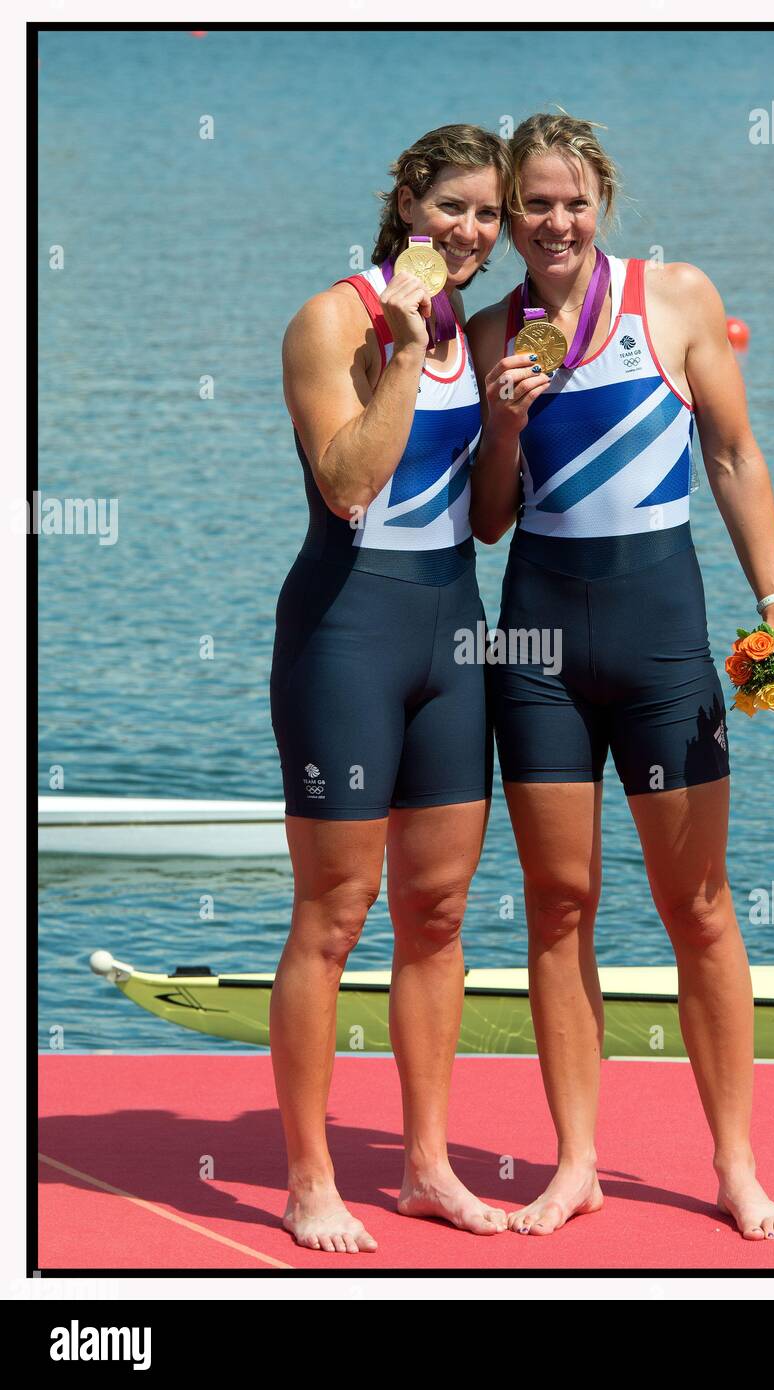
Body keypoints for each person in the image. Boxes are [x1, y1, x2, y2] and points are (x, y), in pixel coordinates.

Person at [468, 111, 774, 1241]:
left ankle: (735, 1164)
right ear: (512, 216)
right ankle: (576, 1161)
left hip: (665, 642)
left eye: (574, 200)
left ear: (600, 202)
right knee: (558, 904)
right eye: (535, 203)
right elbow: (486, 525)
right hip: (536, 654)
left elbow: (732, 454)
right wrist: (505, 425)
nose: (555, 220)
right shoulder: (489, 336)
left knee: (700, 908)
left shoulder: (674, 299)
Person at [269, 125, 512, 1252]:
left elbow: (490, 514)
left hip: (451, 636)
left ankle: (425, 1168)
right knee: (333, 916)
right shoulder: (334, 318)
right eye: (452, 207)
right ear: (407, 200)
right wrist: (407, 352)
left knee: (442, 913)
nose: (471, 233)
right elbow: (349, 484)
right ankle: (310, 1178)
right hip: (347, 633)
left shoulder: (480, 323)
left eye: (489, 216)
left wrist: (509, 411)